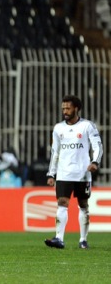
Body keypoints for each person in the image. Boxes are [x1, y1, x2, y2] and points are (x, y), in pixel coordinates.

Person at [44, 95, 103, 249]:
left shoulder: (87, 126)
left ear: (76, 108)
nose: (65, 111)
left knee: (83, 205)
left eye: (68, 108)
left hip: (82, 173)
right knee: (62, 203)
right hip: (64, 173)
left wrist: (95, 162)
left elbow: (98, 146)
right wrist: (51, 173)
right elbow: (55, 152)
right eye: (63, 108)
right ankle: (59, 239)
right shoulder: (58, 128)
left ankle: (83, 240)